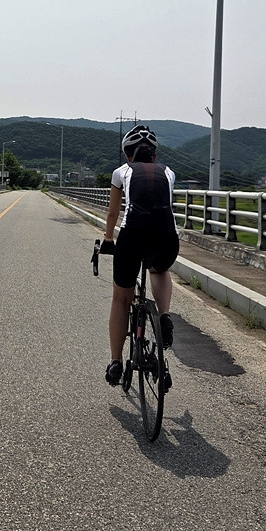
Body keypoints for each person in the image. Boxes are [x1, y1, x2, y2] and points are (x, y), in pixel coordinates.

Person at [102, 124, 178, 388]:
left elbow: (113, 213)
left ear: (128, 154)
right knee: (159, 269)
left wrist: (108, 240)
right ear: (154, 155)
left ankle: (115, 362)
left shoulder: (120, 172)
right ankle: (164, 315)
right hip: (167, 237)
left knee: (121, 298)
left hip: (132, 237)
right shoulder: (169, 172)